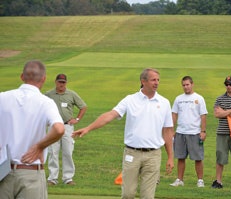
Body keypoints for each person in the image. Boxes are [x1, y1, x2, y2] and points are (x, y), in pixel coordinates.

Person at [72, 68, 174, 199]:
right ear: (143, 81)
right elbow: (110, 115)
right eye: (153, 80)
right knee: (128, 194)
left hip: (153, 156)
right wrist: (88, 128)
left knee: (148, 196)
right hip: (132, 154)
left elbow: (167, 131)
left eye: (158, 80)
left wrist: (170, 156)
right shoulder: (130, 99)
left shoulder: (164, 103)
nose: (157, 83)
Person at [0, 60, 65, 199]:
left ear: (22, 77)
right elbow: (59, 129)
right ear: (43, 78)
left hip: (3, 172)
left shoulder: (3, 97)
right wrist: (39, 146)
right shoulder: (45, 102)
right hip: (30, 172)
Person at [46, 74, 87, 186]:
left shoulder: (71, 94)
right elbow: (42, 108)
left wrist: (77, 119)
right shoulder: (49, 94)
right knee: (53, 152)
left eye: (63, 82)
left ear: (66, 83)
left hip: (67, 127)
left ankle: (68, 178)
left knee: (68, 152)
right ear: (55, 82)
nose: (61, 84)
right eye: (59, 82)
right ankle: (52, 178)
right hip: (53, 126)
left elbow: (83, 106)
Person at [170, 76, 208, 188]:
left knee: (198, 158)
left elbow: (203, 115)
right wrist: (172, 130)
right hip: (180, 132)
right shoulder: (178, 99)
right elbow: (174, 114)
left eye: (187, 84)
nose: (186, 87)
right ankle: (179, 180)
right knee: (180, 157)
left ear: (192, 84)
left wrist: (203, 131)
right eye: (184, 85)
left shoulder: (199, 98)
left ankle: (200, 180)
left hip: (195, 132)